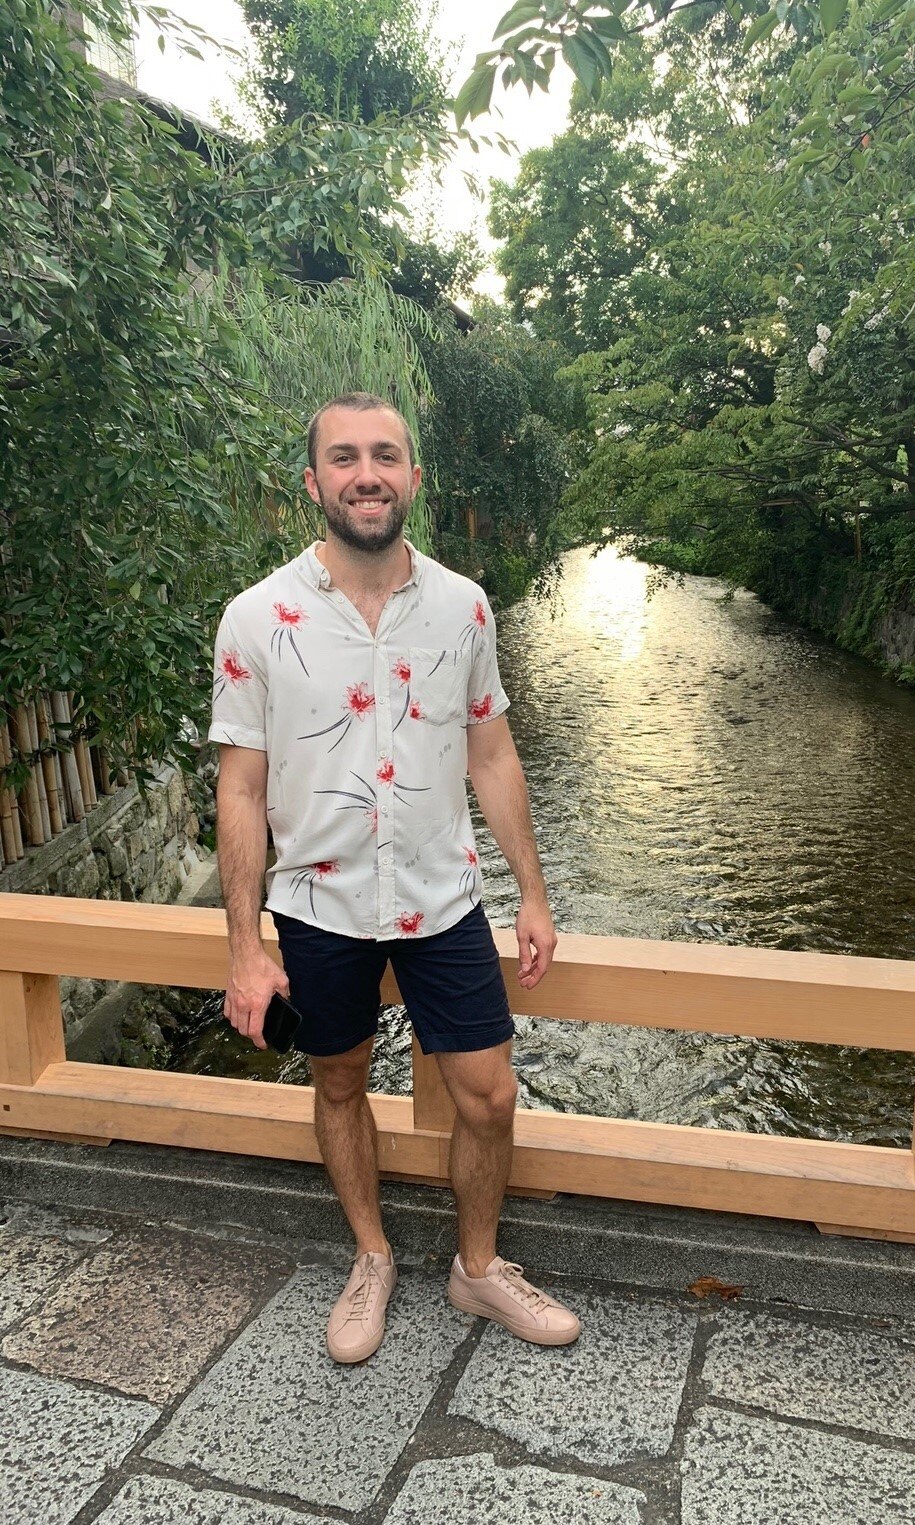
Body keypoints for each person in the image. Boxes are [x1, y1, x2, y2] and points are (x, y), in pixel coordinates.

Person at [209, 390, 579, 1362]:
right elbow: (241, 789)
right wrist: (245, 949)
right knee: (339, 1083)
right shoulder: (256, 618)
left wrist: (533, 891)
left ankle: (478, 1266)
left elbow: (492, 756)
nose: (366, 472)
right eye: (344, 457)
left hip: (440, 892)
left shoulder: (462, 607)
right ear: (314, 482)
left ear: (413, 475)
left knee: (489, 1093)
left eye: (385, 454)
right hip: (320, 902)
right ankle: (371, 1254)